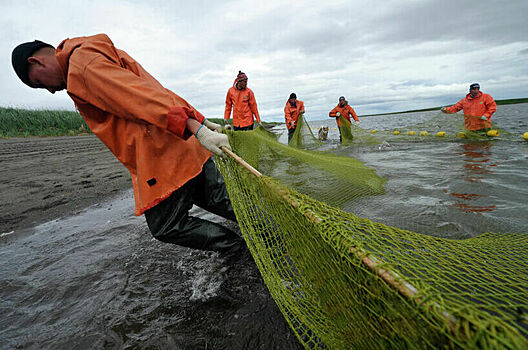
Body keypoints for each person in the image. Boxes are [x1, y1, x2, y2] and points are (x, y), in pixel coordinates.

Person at [11, 34, 244, 254]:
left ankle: (236, 249)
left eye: (40, 84)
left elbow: (140, 98)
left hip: (162, 155)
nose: (50, 90)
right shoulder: (90, 53)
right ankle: (271, 232)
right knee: (222, 201)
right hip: (184, 145)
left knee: (166, 225)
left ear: (36, 61)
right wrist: (199, 122)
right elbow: (155, 91)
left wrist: (196, 127)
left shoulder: (80, 68)